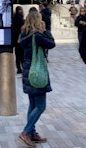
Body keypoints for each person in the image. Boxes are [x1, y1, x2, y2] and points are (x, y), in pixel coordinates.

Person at [18, 11, 55, 147]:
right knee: (41, 106)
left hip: (28, 70)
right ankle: (26, 131)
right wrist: (46, 31)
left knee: (33, 104)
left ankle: (32, 133)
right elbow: (51, 44)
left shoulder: (24, 34)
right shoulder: (37, 35)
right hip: (37, 70)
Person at [12, 6, 25, 74]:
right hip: (20, 38)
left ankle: (19, 68)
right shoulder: (19, 18)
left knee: (17, 54)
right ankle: (22, 67)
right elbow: (21, 29)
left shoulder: (14, 18)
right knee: (21, 54)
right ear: (19, 10)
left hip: (15, 38)